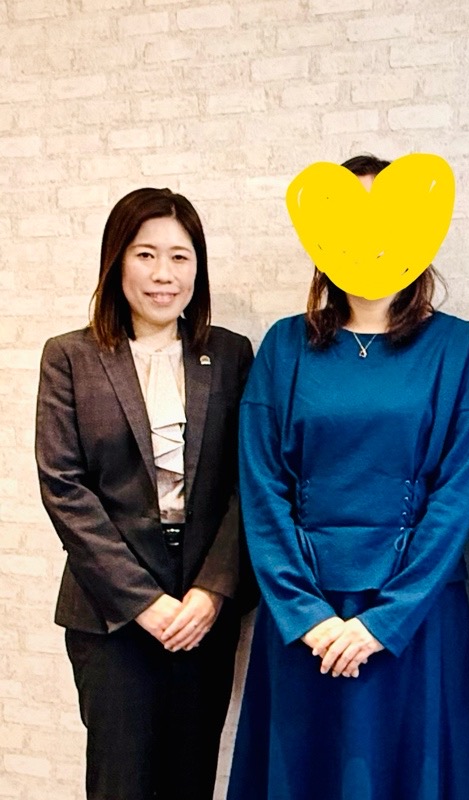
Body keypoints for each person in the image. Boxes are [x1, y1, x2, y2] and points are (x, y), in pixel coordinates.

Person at [227, 155, 469, 800]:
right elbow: (262, 490)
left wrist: (386, 621)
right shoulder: (284, 346)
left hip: (416, 617)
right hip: (305, 620)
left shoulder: (459, 348)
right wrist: (305, 614)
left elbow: (458, 500)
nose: (372, 238)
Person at [35, 187, 255, 800]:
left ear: (198, 268)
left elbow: (250, 481)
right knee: (121, 783)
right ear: (117, 261)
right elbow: (64, 486)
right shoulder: (71, 357)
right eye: (146, 254)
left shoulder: (230, 354)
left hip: (203, 610)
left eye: (180, 257)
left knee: (191, 780)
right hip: (109, 614)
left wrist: (212, 590)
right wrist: (143, 603)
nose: (164, 275)